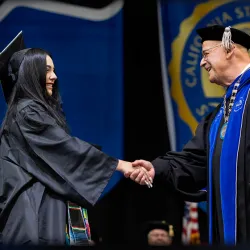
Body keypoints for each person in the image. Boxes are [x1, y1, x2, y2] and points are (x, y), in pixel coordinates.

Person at [0, 31, 152, 245]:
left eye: (54, 70)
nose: (54, 76)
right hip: (32, 211)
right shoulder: (26, 111)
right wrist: (121, 165)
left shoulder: (27, 112)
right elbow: (65, 148)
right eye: (47, 70)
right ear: (30, 74)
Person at [130, 25, 250, 245]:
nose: (202, 62)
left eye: (206, 54)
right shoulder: (221, 113)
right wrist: (157, 168)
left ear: (229, 49)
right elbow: (196, 161)